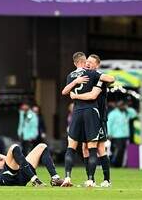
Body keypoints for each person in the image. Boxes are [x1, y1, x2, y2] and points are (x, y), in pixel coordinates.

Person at [61, 52, 115, 187]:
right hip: (88, 114)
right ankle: (90, 179)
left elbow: (93, 95)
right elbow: (67, 92)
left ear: (97, 65)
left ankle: (107, 179)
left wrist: (75, 96)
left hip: (99, 116)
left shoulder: (98, 76)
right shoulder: (87, 75)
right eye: (87, 61)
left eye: (91, 62)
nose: (88, 63)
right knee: (85, 147)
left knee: (100, 148)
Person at [0, 143, 64, 186]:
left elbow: (5, 160)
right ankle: (34, 179)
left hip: (18, 177)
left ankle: (54, 178)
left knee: (42, 146)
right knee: (14, 147)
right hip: (7, 179)